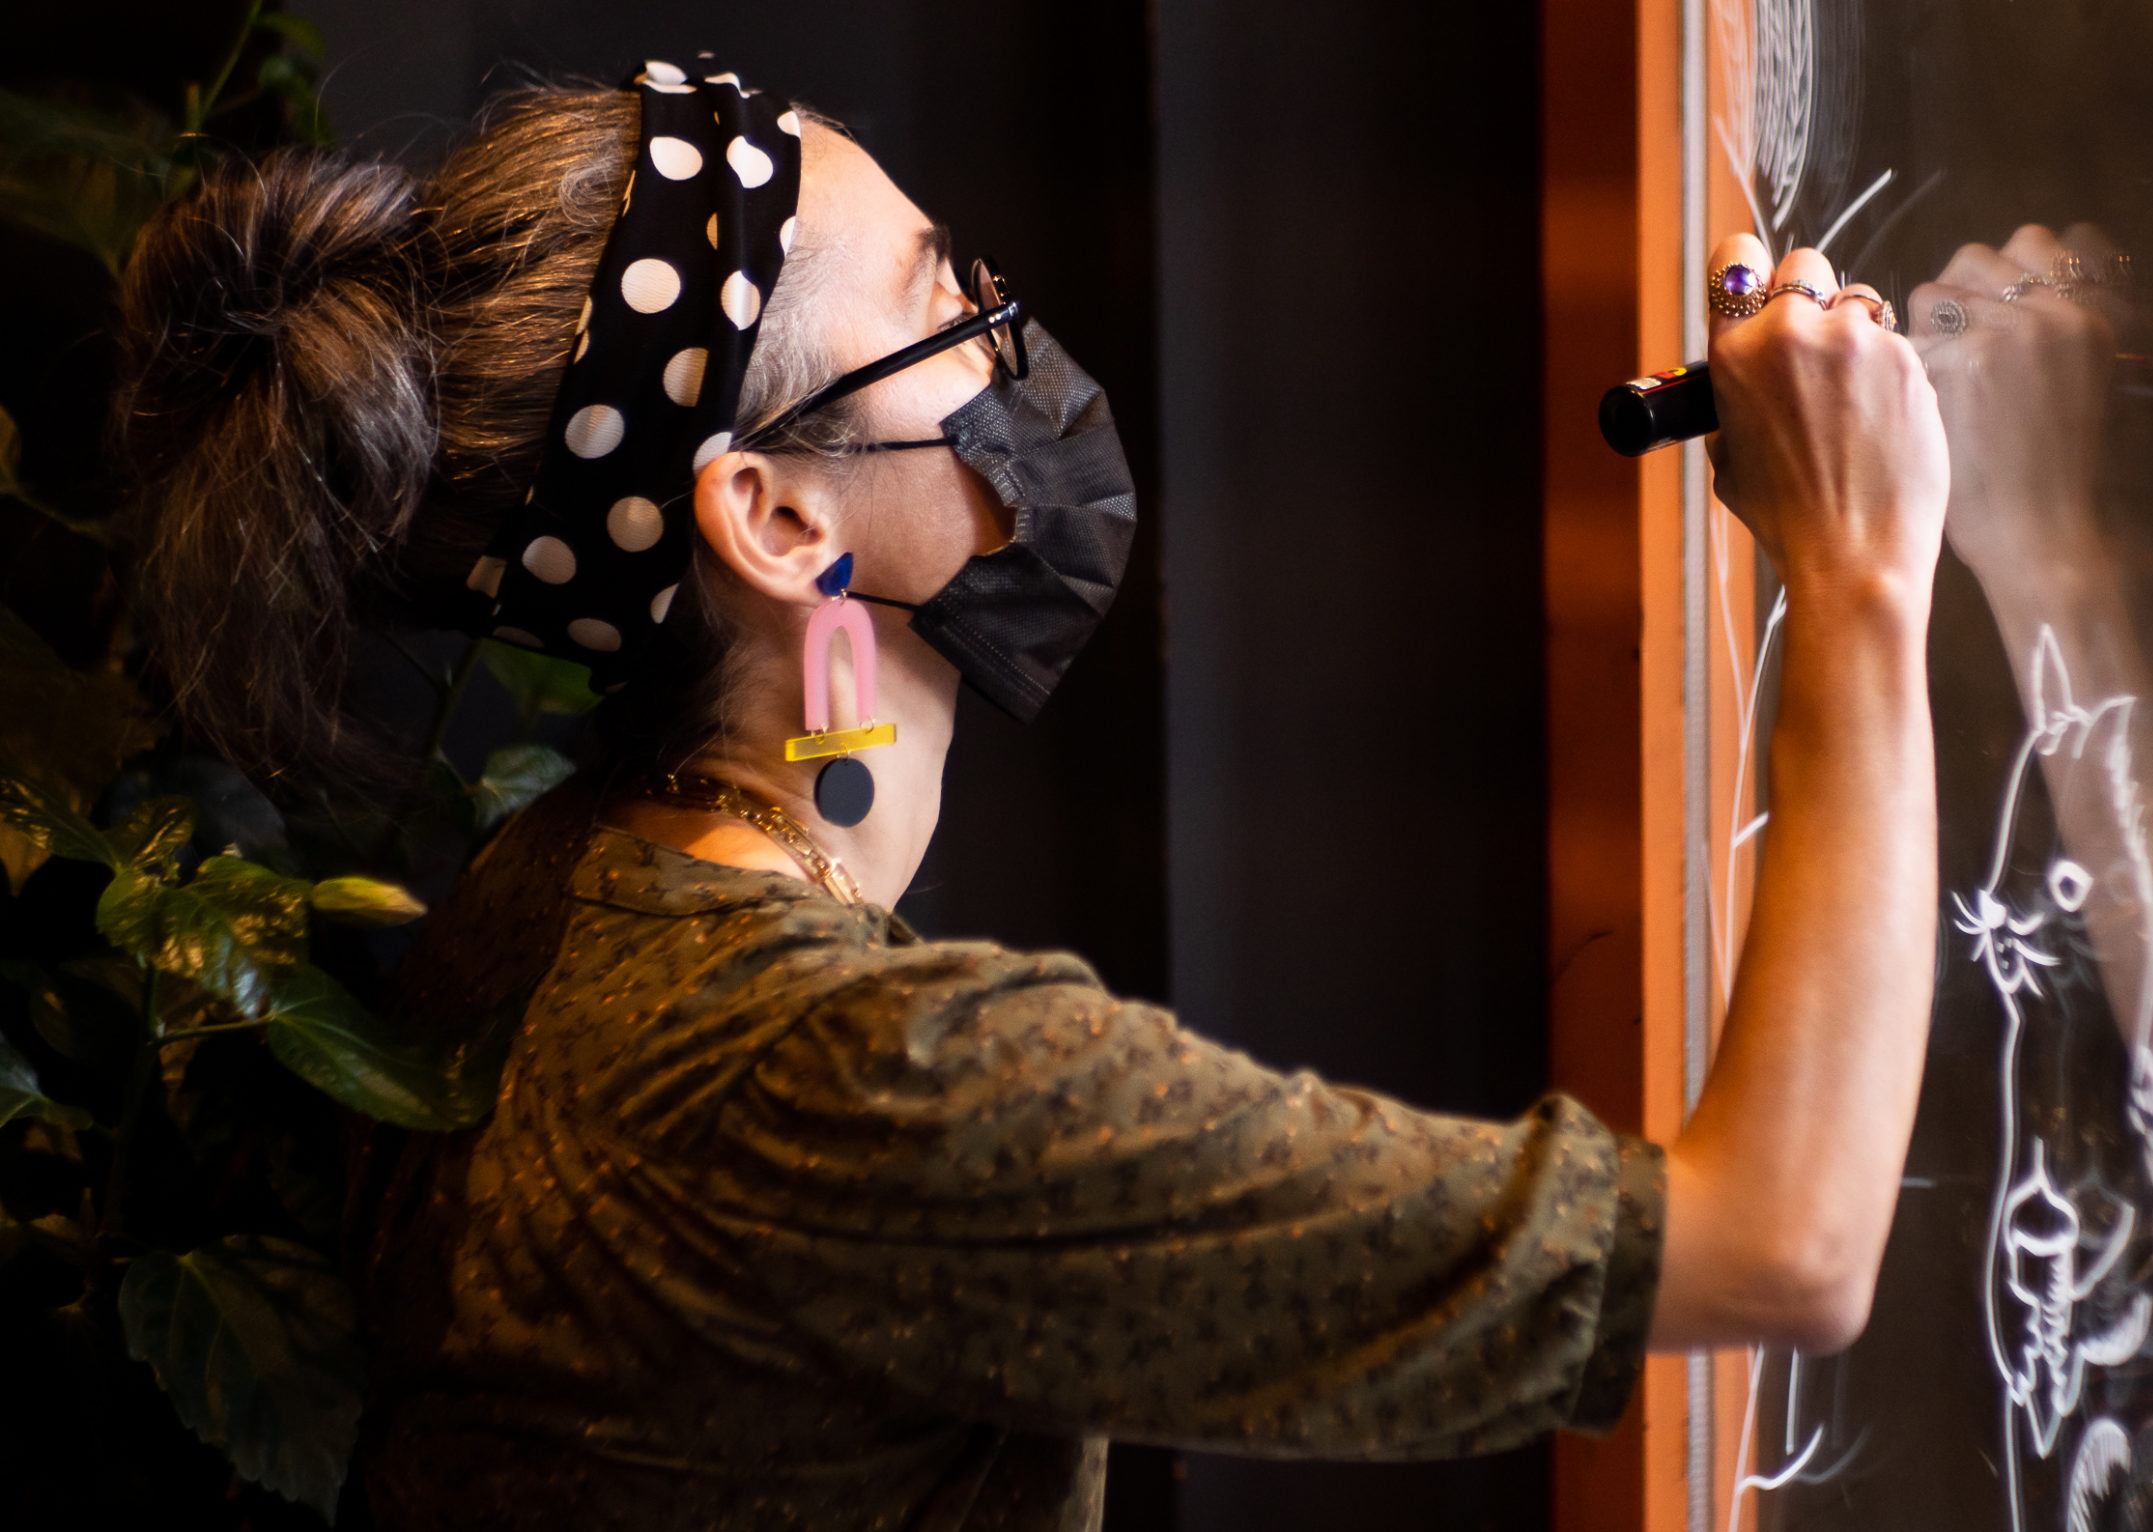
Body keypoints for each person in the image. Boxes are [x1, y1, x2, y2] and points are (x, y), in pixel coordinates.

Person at [115, 59, 1948, 1532]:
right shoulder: (851, 1084)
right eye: (950, 303)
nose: (1016, 339)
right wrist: (1862, 576)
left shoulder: (544, 904)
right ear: (777, 518)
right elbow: (1772, 1245)